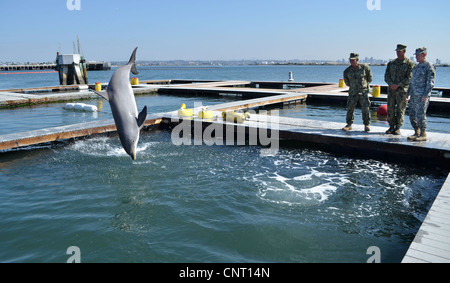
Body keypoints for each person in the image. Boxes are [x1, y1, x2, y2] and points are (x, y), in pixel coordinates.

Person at [384, 44, 415, 135]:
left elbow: (409, 78)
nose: (398, 53)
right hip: (391, 91)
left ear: (404, 51)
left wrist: (398, 85)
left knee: (400, 110)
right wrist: (391, 84)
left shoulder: (409, 64)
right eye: (397, 51)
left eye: (399, 51)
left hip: (402, 91)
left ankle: (398, 127)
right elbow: (386, 76)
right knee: (390, 109)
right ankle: (391, 126)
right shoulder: (391, 63)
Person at [407, 47, 436, 142]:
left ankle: (423, 133)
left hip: (422, 96)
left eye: (418, 55)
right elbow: (411, 81)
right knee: (412, 115)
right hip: (414, 95)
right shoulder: (416, 67)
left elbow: (430, 82)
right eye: (415, 55)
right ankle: (416, 132)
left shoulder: (429, 66)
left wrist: (425, 94)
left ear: (424, 54)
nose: (416, 57)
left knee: (420, 115)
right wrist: (408, 93)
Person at [343, 53, 373, 132]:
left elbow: (369, 78)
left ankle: (367, 124)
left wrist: (364, 85)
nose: (352, 61)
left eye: (353, 60)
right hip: (353, 92)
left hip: (363, 92)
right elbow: (347, 82)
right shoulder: (347, 71)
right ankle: (349, 124)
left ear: (357, 60)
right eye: (350, 60)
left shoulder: (364, 67)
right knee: (350, 108)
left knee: (365, 108)